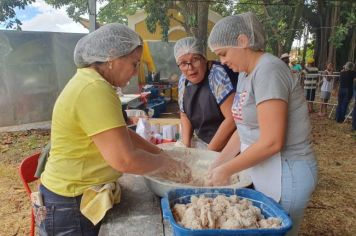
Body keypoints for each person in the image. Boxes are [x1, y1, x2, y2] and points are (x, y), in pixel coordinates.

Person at [38, 23, 188, 235]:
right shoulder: (94, 88)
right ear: (112, 56)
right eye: (134, 64)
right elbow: (124, 159)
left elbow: (121, 133)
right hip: (70, 202)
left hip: (72, 197)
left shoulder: (93, 82)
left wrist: (160, 152)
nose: (135, 73)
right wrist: (170, 166)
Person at [207, 12, 317, 236]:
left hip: (288, 172)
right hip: (266, 169)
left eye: (224, 53)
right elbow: (243, 129)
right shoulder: (246, 75)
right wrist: (216, 165)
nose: (222, 61)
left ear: (243, 41)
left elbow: (272, 142)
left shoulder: (269, 69)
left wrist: (227, 170)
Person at [174, 37, 238, 151]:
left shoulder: (217, 74)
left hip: (228, 144)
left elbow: (232, 118)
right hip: (203, 141)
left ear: (204, 58)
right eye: (183, 63)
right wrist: (186, 146)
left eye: (195, 59)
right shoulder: (183, 80)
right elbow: (184, 115)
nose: (190, 68)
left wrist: (208, 153)